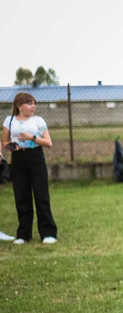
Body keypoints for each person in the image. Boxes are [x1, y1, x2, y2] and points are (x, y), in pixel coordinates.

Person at [2, 92, 57, 245]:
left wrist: (32, 138)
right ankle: (23, 234)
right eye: (29, 103)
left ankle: (48, 233)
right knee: (21, 196)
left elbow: (48, 142)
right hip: (18, 159)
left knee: (41, 196)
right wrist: (11, 146)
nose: (33, 106)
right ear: (19, 106)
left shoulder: (38, 121)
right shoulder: (9, 121)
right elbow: (5, 142)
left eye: (34, 103)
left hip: (36, 158)